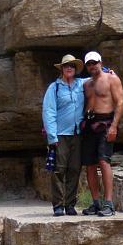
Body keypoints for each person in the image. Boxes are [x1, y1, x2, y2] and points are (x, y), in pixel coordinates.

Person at [81, 51, 123, 217]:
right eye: (89, 64)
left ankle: (109, 203)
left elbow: (120, 103)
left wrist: (114, 126)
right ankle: (96, 203)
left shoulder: (111, 79)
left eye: (95, 62)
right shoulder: (86, 84)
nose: (92, 66)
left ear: (100, 62)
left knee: (104, 160)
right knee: (90, 164)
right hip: (89, 124)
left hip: (106, 123)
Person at [42, 54, 86, 216]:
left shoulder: (81, 84)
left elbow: (97, 77)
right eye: (66, 65)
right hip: (60, 135)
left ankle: (70, 204)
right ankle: (58, 205)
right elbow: (49, 111)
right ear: (62, 68)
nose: (69, 68)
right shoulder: (54, 87)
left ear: (76, 69)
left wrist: (108, 71)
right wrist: (51, 136)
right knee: (59, 170)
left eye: (72, 66)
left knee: (74, 169)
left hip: (77, 134)